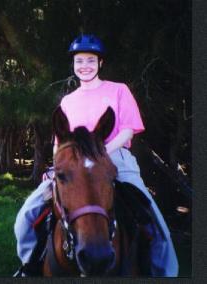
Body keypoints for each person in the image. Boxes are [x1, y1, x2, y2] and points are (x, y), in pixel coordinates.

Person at [14, 34, 178, 277]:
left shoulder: (118, 90)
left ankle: (165, 272)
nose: (85, 66)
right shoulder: (68, 101)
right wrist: (57, 166)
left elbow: (127, 130)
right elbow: (60, 143)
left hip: (115, 159)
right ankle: (29, 265)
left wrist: (99, 154)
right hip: (71, 166)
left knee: (153, 219)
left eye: (91, 60)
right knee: (26, 214)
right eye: (79, 61)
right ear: (73, 65)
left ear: (100, 63)